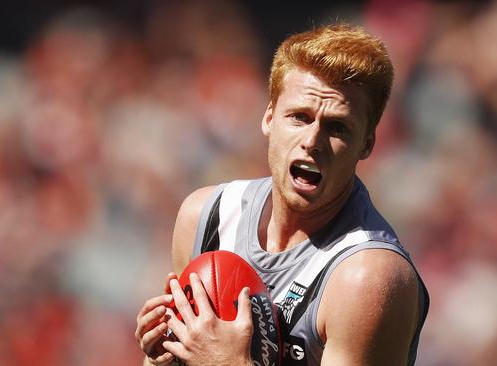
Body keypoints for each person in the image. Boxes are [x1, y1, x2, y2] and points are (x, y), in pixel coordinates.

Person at [135, 24, 429, 366]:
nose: (312, 140)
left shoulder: (368, 278)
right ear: (269, 118)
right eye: (299, 117)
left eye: (337, 127)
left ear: (366, 144)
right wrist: (163, 359)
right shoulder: (206, 216)